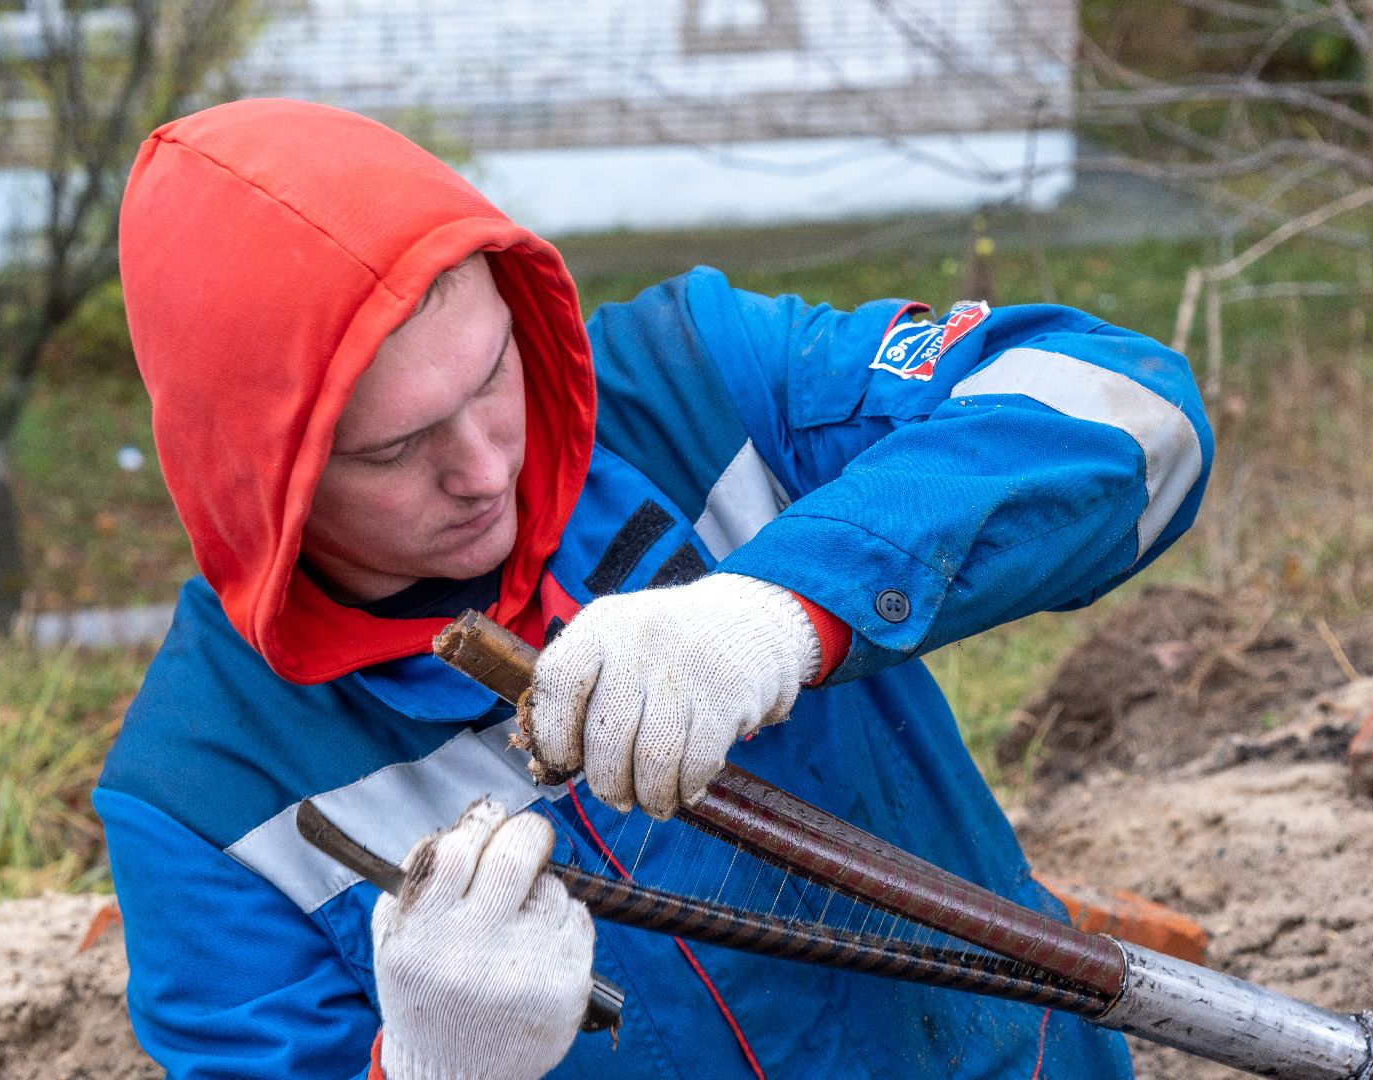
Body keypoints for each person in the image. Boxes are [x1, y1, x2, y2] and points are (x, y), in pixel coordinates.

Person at [96, 97, 1212, 1080]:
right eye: (392, 450)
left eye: (493, 376)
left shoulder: (697, 392)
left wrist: (783, 608)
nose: (486, 465)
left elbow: (1131, 416)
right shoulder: (203, 798)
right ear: (256, 479)